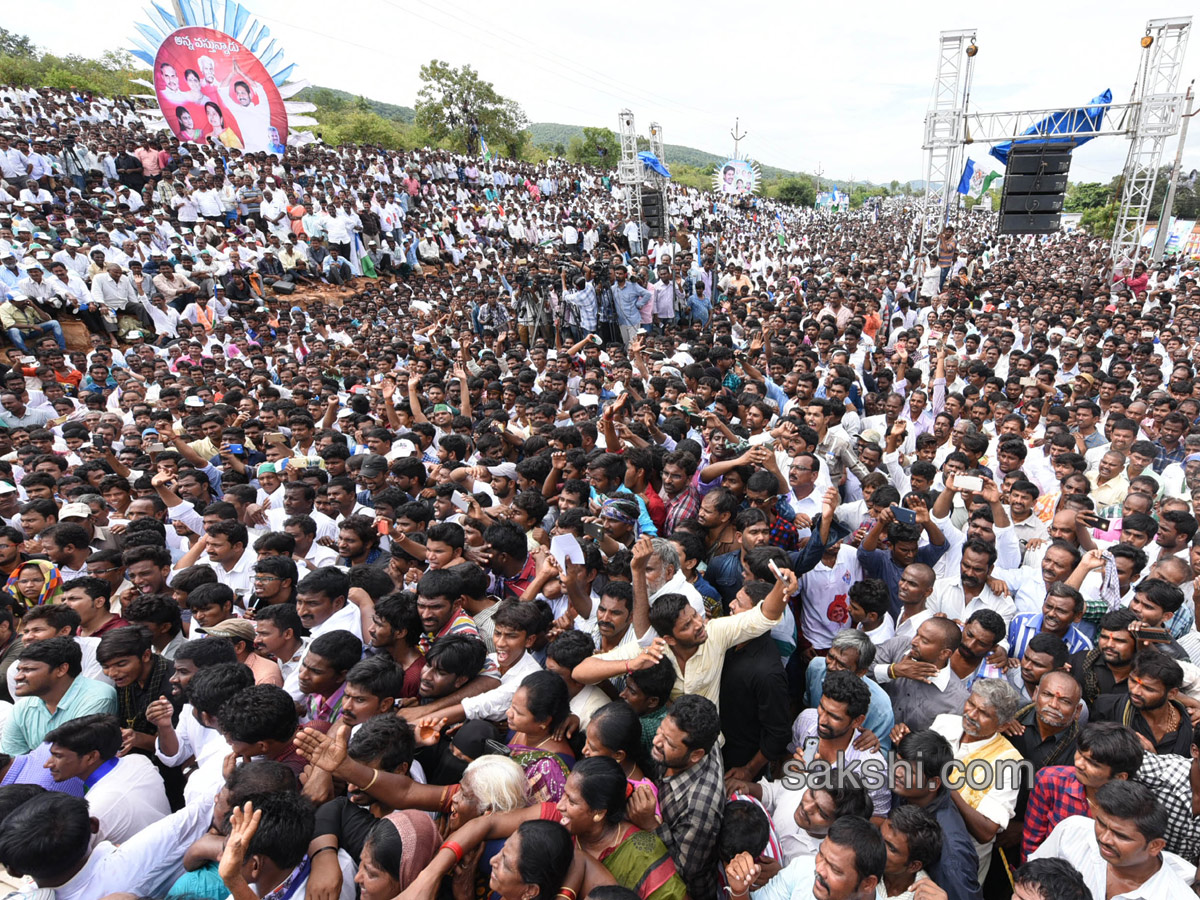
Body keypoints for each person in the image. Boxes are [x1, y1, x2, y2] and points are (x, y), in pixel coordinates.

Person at [44, 712, 170, 843]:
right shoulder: (139, 761)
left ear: (91, 757)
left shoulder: (95, 812)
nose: (47, 764)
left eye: (58, 756)